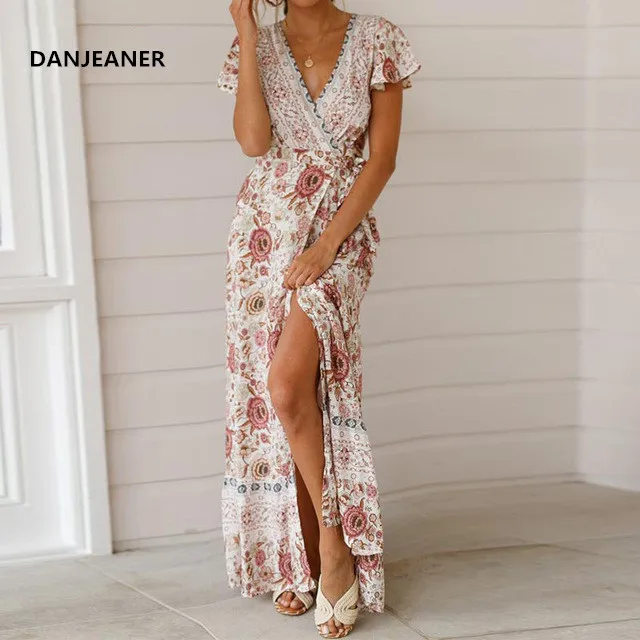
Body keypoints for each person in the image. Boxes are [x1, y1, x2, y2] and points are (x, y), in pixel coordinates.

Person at [218, 0, 420, 636]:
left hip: (339, 233)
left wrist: (328, 244)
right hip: (264, 233)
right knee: (281, 396)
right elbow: (254, 143)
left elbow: (381, 159)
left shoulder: (378, 39)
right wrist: (248, 33)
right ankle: (296, 552)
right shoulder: (258, 42)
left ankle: (334, 548)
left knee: (287, 384)